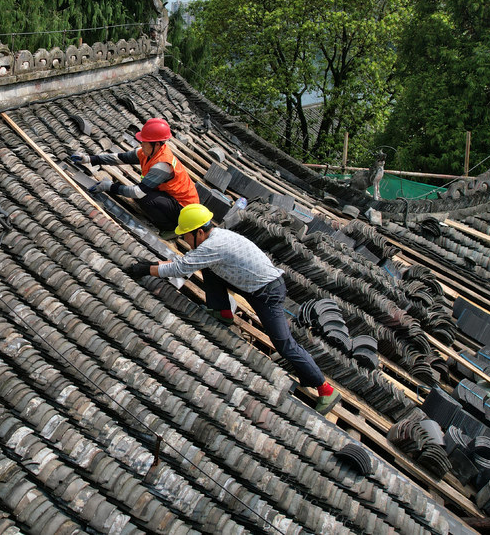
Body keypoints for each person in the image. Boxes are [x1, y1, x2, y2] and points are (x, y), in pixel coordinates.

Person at [125, 203, 340, 414]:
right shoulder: (215, 237)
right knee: (208, 268)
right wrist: (153, 266)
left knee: (284, 344)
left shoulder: (212, 246)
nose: (185, 240)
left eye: (186, 236)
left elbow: (180, 268)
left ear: (199, 232)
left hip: (267, 293)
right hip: (253, 285)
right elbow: (187, 262)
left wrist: (147, 269)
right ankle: (223, 312)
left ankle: (324, 388)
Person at [70, 117, 199, 235]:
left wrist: (110, 187)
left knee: (145, 198)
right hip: (172, 198)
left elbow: (138, 192)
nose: (141, 144)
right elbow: (120, 158)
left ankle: (170, 228)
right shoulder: (148, 151)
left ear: (157, 144)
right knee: (140, 195)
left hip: (184, 210)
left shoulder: (163, 165)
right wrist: (90, 159)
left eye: (145, 142)